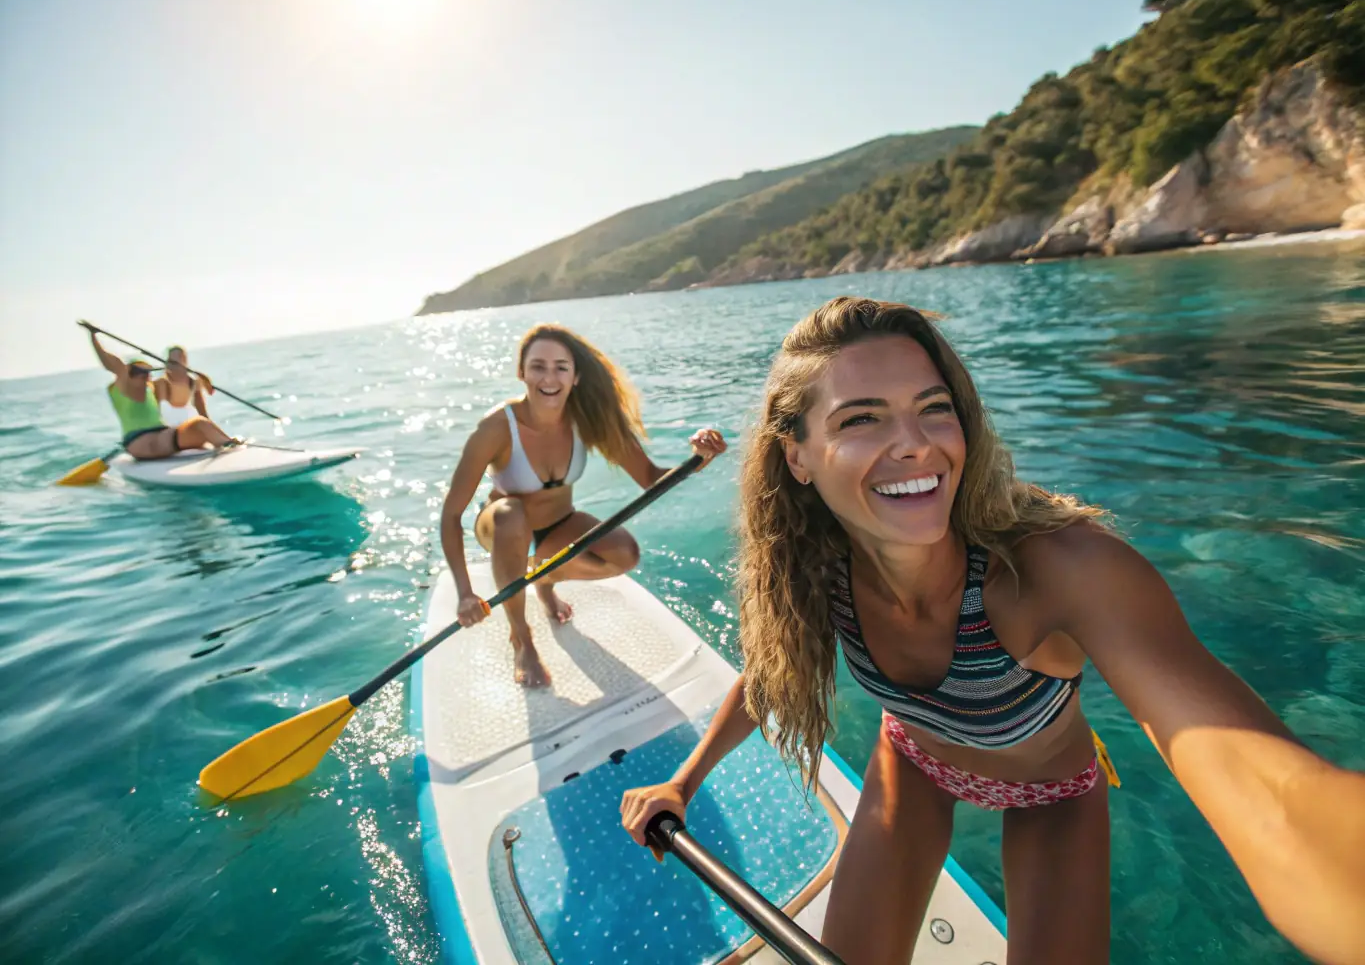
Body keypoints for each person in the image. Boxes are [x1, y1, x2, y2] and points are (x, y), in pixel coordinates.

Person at [621, 297, 1365, 965]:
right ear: (798, 457)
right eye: (860, 417)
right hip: (908, 765)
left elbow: (1266, 791)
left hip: (1052, 793)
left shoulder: (1057, 567)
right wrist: (682, 782)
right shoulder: (818, 567)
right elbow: (770, 674)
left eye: (933, 408)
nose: (914, 443)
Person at [440, 323, 726, 688]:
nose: (549, 377)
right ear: (521, 372)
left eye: (561, 366)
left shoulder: (588, 420)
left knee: (624, 553)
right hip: (501, 528)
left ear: (575, 377)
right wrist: (466, 592)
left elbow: (649, 476)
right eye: (538, 366)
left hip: (558, 525)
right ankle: (521, 637)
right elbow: (451, 514)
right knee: (512, 514)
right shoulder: (496, 428)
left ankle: (543, 579)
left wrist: (698, 459)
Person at [83, 323, 235, 460]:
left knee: (202, 424)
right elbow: (114, 364)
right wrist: (94, 338)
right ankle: (227, 449)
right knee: (198, 427)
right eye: (137, 371)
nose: (143, 375)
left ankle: (230, 446)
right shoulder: (121, 387)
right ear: (128, 374)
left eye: (147, 372)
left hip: (162, 436)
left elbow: (177, 379)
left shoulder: (151, 388)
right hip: (140, 440)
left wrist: (200, 379)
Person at [156, 345, 215, 426]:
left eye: (175, 362)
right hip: (166, 430)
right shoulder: (161, 383)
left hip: (188, 427)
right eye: (170, 361)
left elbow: (203, 413)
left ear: (184, 362)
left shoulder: (193, 382)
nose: (171, 366)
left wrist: (210, 427)